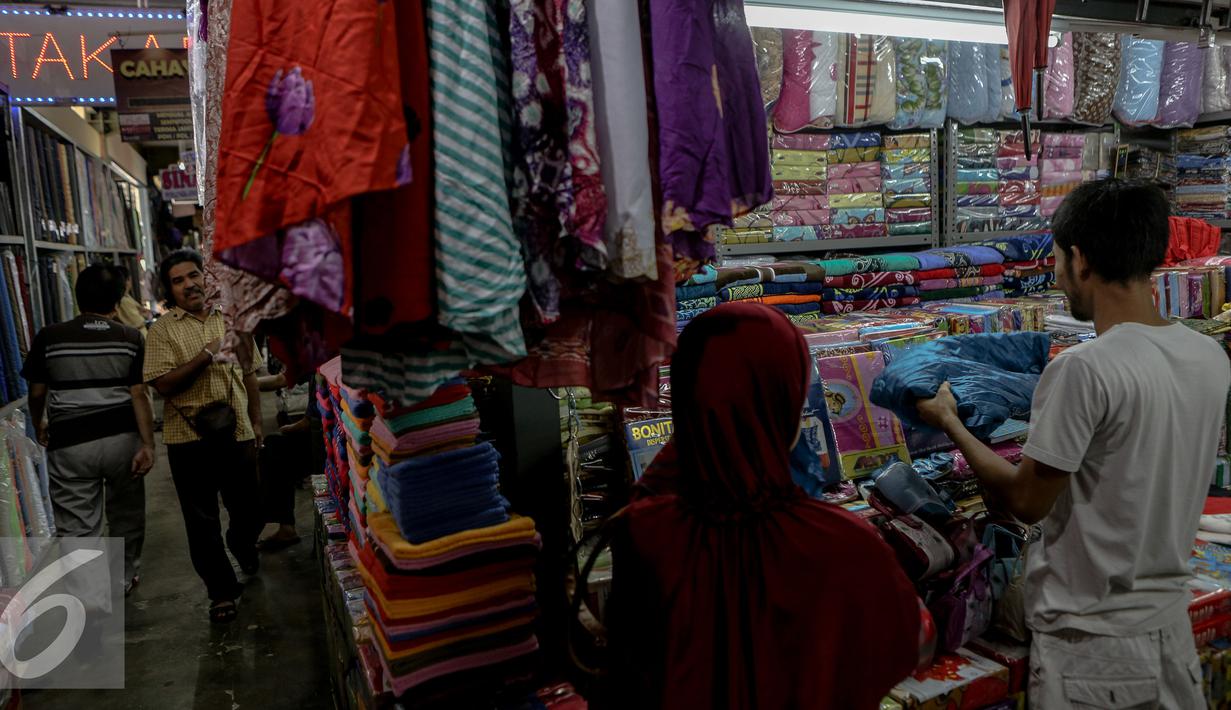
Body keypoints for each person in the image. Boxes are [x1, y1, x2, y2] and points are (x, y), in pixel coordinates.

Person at [917, 180, 1231, 708]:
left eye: (1058, 261)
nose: (1057, 277)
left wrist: (951, 422)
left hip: (1093, 648)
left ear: (1079, 259)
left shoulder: (1084, 370)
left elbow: (1023, 500)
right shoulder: (1208, 357)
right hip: (1168, 633)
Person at [607, 303, 925, 709]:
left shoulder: (643, 530)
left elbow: (628, 674)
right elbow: (891, 654)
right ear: (787, 402)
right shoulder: (847, 546)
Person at [144, 249, 265, 624]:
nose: (188, 285)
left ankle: (242, 543)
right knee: (201, 522)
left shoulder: (231, 320)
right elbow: (163, 384)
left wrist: (257, 423)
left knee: (250, 510)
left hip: (239, 431)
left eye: (193, 275)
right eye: (178, 280)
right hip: (188, 440)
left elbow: (249, 374)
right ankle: (221, 592)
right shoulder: (161, 330)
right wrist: (206, 355)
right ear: (168, 289)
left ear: (206, 277)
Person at [21, 264, 154, 595]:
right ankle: (123, 578)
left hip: (71, 442)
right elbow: (139, 393)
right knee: (126, 514)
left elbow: (36, 393)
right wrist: (148, 444)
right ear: (118, 299)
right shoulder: (129, 337)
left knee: (78, 523)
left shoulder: (50, 337)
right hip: (122, 440)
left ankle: (90, 594)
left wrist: (40, 423)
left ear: (78, 297)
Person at [113, 264, 149, 338]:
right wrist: (144, 315)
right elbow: (136, 322)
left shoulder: (127, 296)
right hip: (136, 337)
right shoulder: (122, 299)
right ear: (127, 280)